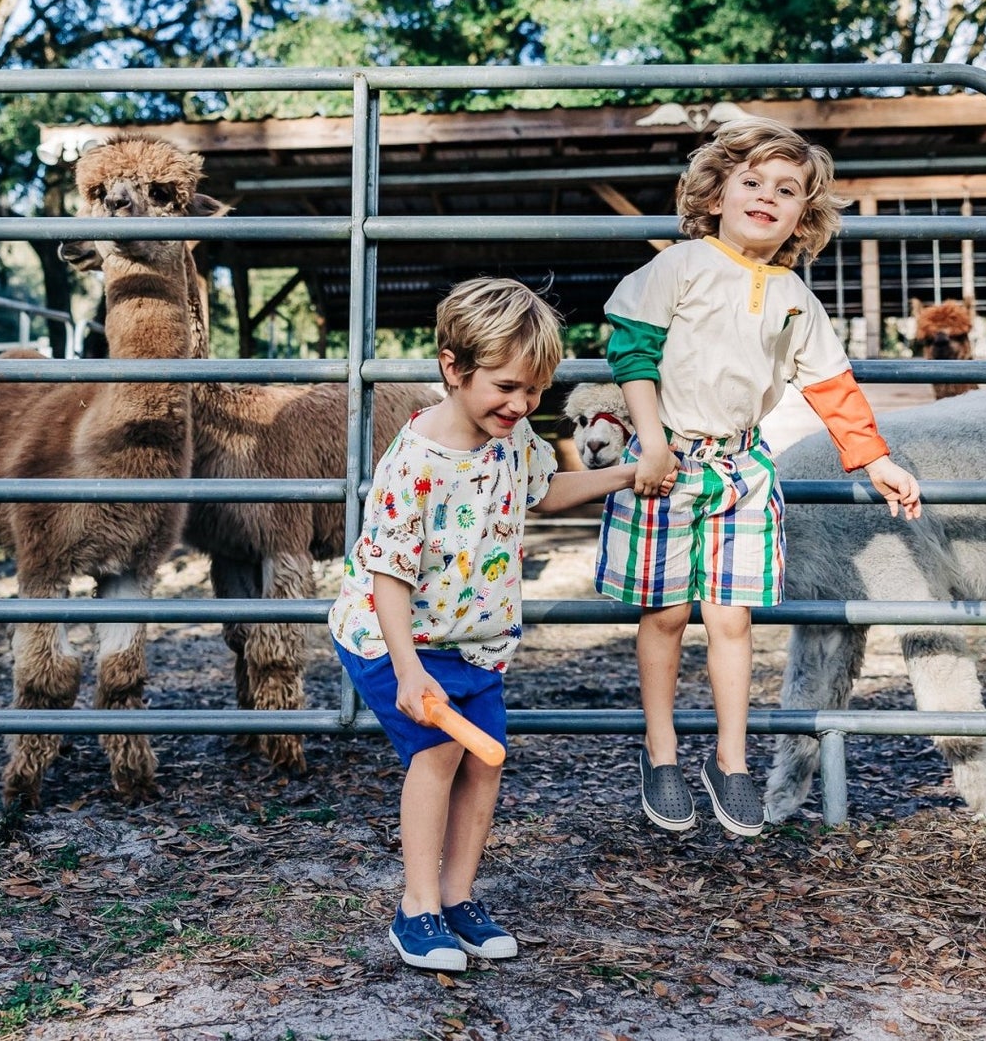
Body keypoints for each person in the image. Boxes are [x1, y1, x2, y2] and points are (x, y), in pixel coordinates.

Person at [596, 118, 922, 839]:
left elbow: (832, 386)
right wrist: (648, 442)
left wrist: (877, 460)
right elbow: (633, 352)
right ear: (716, 196)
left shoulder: (794, 298)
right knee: (666, 615)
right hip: (665, 458)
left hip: (742, 468)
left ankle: (731, 760)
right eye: (753, 182)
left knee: (732, 618)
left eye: (788, 190)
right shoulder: (679, 267)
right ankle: (661, 754)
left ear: (803, 218)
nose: (768, 197)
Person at [331, 277, 641, 973]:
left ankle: (459, 897)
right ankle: (416, 911)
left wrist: (625, 477)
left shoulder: (514, 434)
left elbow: (545, 491)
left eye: (533, 390)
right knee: (437, 756)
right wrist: (408, 670)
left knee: (486, 764)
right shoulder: (416, 462)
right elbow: (388, 572)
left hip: (474, 642)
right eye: (506, 387)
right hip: (396, 637)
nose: (521, 404)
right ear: (452, 367)